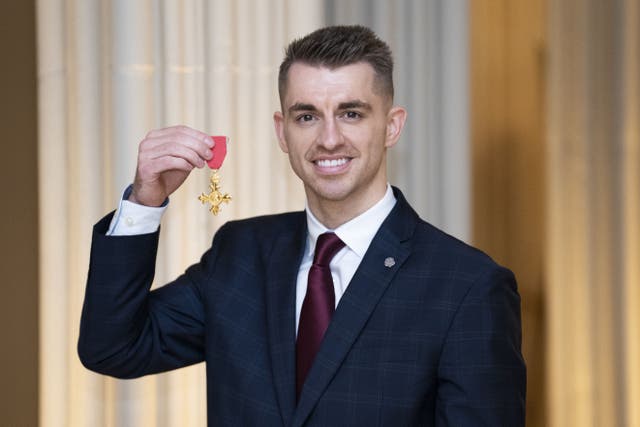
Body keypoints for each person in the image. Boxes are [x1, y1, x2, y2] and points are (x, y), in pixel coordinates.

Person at [78, 25, 526, 426]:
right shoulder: (241, 252)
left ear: (391, 126)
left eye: (351, 113)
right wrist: (145, 201)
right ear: (282, 132)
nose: (328, 138)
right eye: (307, 116)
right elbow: (115, 346)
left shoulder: (467, 286)